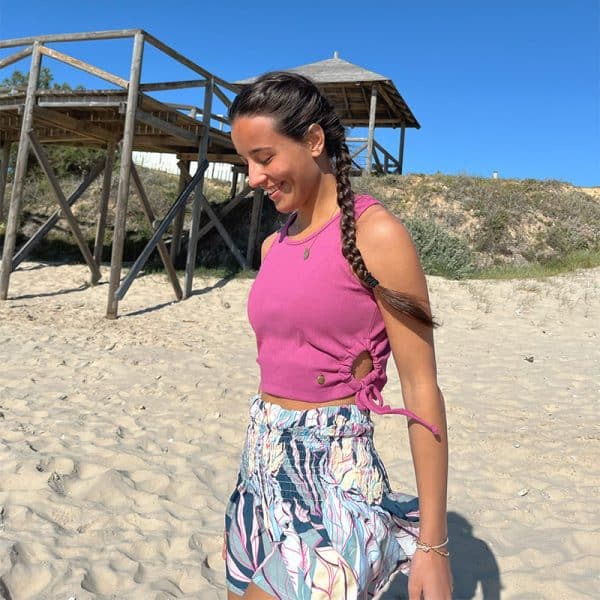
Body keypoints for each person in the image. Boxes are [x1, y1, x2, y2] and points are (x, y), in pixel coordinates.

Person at [223, 71, 452, 600]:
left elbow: (422, 389)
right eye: (245, 163)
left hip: (334, 470)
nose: (254, 178)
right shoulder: (271, 247)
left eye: (263, 158)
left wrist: (434, 546)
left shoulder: (378, 236)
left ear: (314, 141)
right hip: (259, 461)